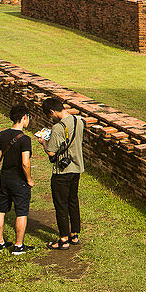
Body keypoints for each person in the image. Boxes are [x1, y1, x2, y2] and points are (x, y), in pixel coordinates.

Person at [38, 97, 84, 250]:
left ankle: (63, 239)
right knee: (73, 201)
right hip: (76, 168)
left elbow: (51, 153)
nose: (50, 118)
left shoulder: (58, 127)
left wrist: (44, 142)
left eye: (49, 115)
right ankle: (74, 234)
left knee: (61, 205)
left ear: (52, 111)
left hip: (62, 171)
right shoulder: (79, 120)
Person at [0, 103, 35, 255]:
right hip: (19, 180)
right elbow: (25, 162)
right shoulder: (25, 139)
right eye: (28, 118)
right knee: (21, 212)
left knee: (1, 210)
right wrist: (29, 179)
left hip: (5, 178)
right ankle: (18, 245)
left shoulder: (2, 134)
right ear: (24, 117)